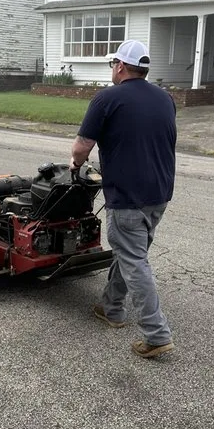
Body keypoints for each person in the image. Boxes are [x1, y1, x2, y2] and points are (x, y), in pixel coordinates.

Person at [69, 40, 177, 359]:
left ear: (119, 66)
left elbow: (80, 149)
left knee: (134, 260)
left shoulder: (107, 98)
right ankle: (111, 308)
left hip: (128, 196)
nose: (111, 70)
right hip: (159, 194)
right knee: (129, 253)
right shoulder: (165, 98)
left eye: (111, 65)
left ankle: (157, 335)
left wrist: (75, 167)